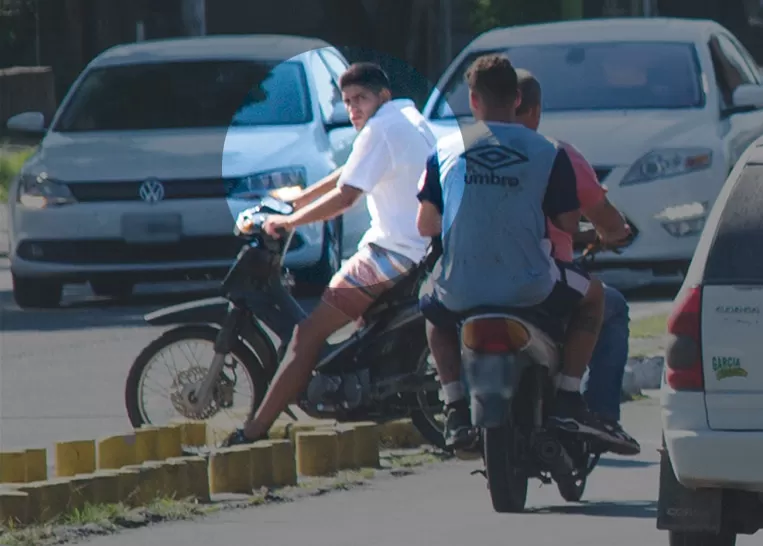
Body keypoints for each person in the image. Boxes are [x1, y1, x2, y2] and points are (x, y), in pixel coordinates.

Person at [415, 53, 630, 454]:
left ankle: (455, 405)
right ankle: (568, 396)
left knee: (432, 311)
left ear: (474, 102)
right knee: (596, 298)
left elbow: (426, 225)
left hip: (459, 288)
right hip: (532, 287)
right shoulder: (550, 151)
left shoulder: (444, 150)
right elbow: (566, 224)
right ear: (517, 99)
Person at [222, 62, 437, 446]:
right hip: (419, 249)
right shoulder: (405, 115)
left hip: (392, 253)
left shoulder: (379, 129)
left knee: (306, 334)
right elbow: (349, 173)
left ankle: (254, 430)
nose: (354, 109)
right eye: (348, 102)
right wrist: (299, 200)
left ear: (381, 96)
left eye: (361, 100)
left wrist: (289, 223)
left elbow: (347, 195)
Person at [514, 68, 640, 455]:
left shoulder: (459, 151)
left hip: (469, 280)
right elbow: (603, 221)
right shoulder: (557, 154)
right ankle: (596, 413)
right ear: (534, 110)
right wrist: (611, 233)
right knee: (610, 305)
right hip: (543, 279)